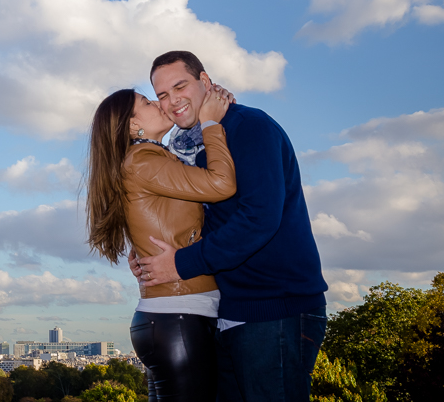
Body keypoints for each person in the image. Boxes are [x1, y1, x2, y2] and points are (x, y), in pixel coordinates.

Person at [130, 51, 328, 402]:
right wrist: (146, 251)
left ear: (205, 82)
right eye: (161, 95)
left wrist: (180, 263)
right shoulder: (190, 148)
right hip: (227, 311)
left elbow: (259, 219)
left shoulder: (249, 127)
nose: (172, 101)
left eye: (180, 86)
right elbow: (199, 217)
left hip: (273, 309)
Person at [86, 85, 235, 402]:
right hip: (181, 314)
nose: (157, 103)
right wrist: (210, 123)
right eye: (146, 101)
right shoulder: (144, 161)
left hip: (169, 316)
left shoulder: (145, 159)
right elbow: (221, 184)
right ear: (132, 125)